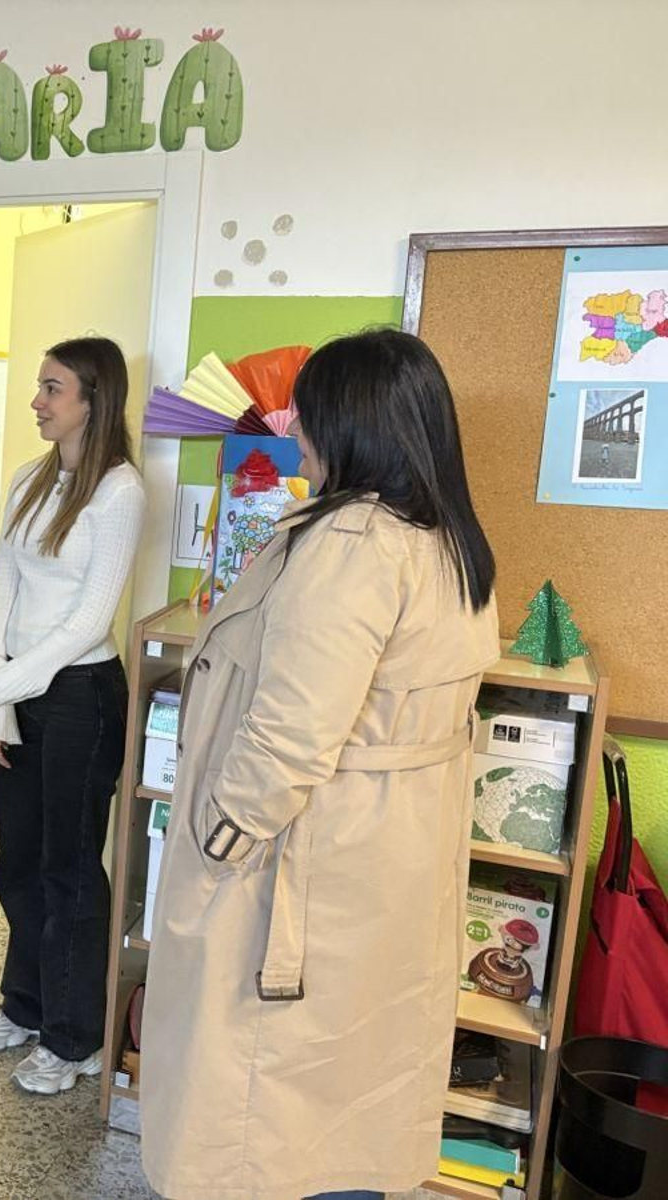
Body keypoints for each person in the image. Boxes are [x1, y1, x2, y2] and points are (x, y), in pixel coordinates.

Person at [140, 329, 501, 1200]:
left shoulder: (354, 544)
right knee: (351, 1098)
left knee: (268, 1110)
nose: (295, 421)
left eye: (313, 404)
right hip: (388, 867)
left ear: (357, 419)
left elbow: (292, 734)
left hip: (305, 863)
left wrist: (216, 846)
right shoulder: (449, 539)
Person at [0, 336, 145, 1095]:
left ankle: (75, 1041)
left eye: (52, 388)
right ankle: (28, 1007)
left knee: (70, 871)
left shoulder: (120, 492)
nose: (38, 401)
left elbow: (87, 621)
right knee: (19, 862)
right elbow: (2, 581)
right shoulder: (27, 481)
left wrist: (4, 690)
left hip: (81, 698)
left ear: (92, 399)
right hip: (21, 692)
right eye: (41, 387)